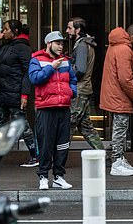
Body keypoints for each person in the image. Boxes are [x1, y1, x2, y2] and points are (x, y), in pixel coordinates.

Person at [29, 31, 77, 191]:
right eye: (57, 43)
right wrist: (51, 67)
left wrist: (72, 92)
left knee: (63, 144)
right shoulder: (36, 59)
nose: (61, 46)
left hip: (63, 107)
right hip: (46, 108)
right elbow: (35, 79)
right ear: (48, 44)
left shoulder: (66, 61)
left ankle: (59, 176)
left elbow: (73, 79)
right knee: (45, 145)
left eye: (62, 43)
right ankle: (43, 176)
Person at [0, 20, 38, 167]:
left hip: (15, 94)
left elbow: (28, 73)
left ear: (15, 31)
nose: (3, 32)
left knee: (22, 126)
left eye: (6, 29)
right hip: (2, 93)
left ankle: (36, 155)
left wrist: (24, 94)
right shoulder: (5, 45)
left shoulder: (22, 48)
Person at [100, 24, 133, 177]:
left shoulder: (115, 46)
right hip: (120, 96)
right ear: (132, 37)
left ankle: (119, 159)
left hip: (114, 94)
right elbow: (126, 79)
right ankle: (117, 162)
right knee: (120, 130)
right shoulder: (124, 49)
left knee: (119, 129)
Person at [66, 17, 103, 150]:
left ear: (78, 29)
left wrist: (68, 76)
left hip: (80, 90)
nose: (67, 31)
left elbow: (80, 69)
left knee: (68, 125)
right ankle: (103, 157)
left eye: (70, 28)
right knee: (87, 128)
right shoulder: (87, 43)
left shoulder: (81, 45)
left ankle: (57, 158)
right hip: (85, 89)